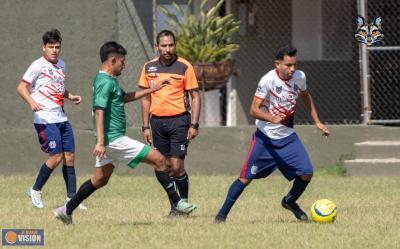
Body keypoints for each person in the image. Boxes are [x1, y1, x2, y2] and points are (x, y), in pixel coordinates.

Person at [54, 41, 197, 224]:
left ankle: (66, 210)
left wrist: (154, 88)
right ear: (112, 60)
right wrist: (100, 142)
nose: (124, 65)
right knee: (160, 160)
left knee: (99, 179)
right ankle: (178, 203)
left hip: (109, 141)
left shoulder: (108, 80)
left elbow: (125, 97)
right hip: (114, 140)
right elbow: (99, 111)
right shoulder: (105, 82)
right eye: (122, 61)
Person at [214, 45, 330, 223]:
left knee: (307, 172)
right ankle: (221, 216)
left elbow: (306, 96)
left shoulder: (300, 77)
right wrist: (270, 117)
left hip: (288, 138)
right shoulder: (267, 80)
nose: (292, 69)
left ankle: (289, 201)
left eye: (294, 65)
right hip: (265, 140)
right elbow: (253, 110)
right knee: (245, 178)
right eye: (288, 65)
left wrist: (317, 121)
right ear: (277, 64)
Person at [17, 29, 87, 210]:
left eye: (57, 47)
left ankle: (71, 199)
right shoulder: (37, 65)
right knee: (55, 157)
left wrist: (71, 96)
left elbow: (57, 87)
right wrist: (31, 102)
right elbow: (21, 87)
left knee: (69, 157)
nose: (54, 50)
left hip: (61, 117)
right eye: (51, 47)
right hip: (45, 119)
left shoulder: (62, 64)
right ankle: (35, 189)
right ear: (44, 48)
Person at [139, 30, 201, 216]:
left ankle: (184, 204)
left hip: (179, 120)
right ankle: (175, 207)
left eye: (171, 45)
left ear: (175, 45)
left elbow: (195, 96)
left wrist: (194, 124)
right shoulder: (148, 67)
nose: (167, 49)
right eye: (164, 45)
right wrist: (145, 126)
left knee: (176, 165)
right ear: (157, 46)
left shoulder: (184, 66)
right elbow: (144, 98)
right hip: (156, 122)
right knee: (164, 165)